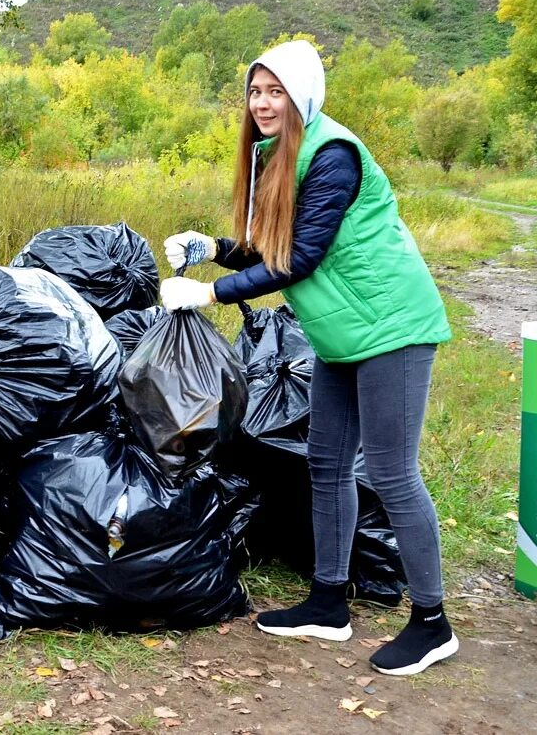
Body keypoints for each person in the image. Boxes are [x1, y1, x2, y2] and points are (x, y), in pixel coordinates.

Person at [159, 40, 456, 677]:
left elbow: (300, 258)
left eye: (277, 91)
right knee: (326, 464)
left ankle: (433, 623)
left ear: (304, 95)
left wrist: (206, 293)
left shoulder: (334, 154)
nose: (264, 103)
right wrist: (211, 247)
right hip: (340, 335)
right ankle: (328, 604)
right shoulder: (276, 155)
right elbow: (270, 248)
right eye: (256, 91)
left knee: (392, 471)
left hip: (392, 327)